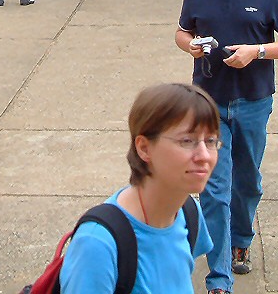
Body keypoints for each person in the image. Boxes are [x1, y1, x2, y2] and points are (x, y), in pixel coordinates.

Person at [174, 0, 278, 294]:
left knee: (247, 184)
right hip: (209, 103)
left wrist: (257, 52)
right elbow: (182, 32)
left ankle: (241, 238)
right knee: (213, 189)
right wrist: (191, 46)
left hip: (253, 101)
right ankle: (219, 278)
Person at [59, 83, 216, 293]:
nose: (204, 155)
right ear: (144, 148)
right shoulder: (97, 245)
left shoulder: (188, 212)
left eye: (211, 141)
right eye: (187, 140)